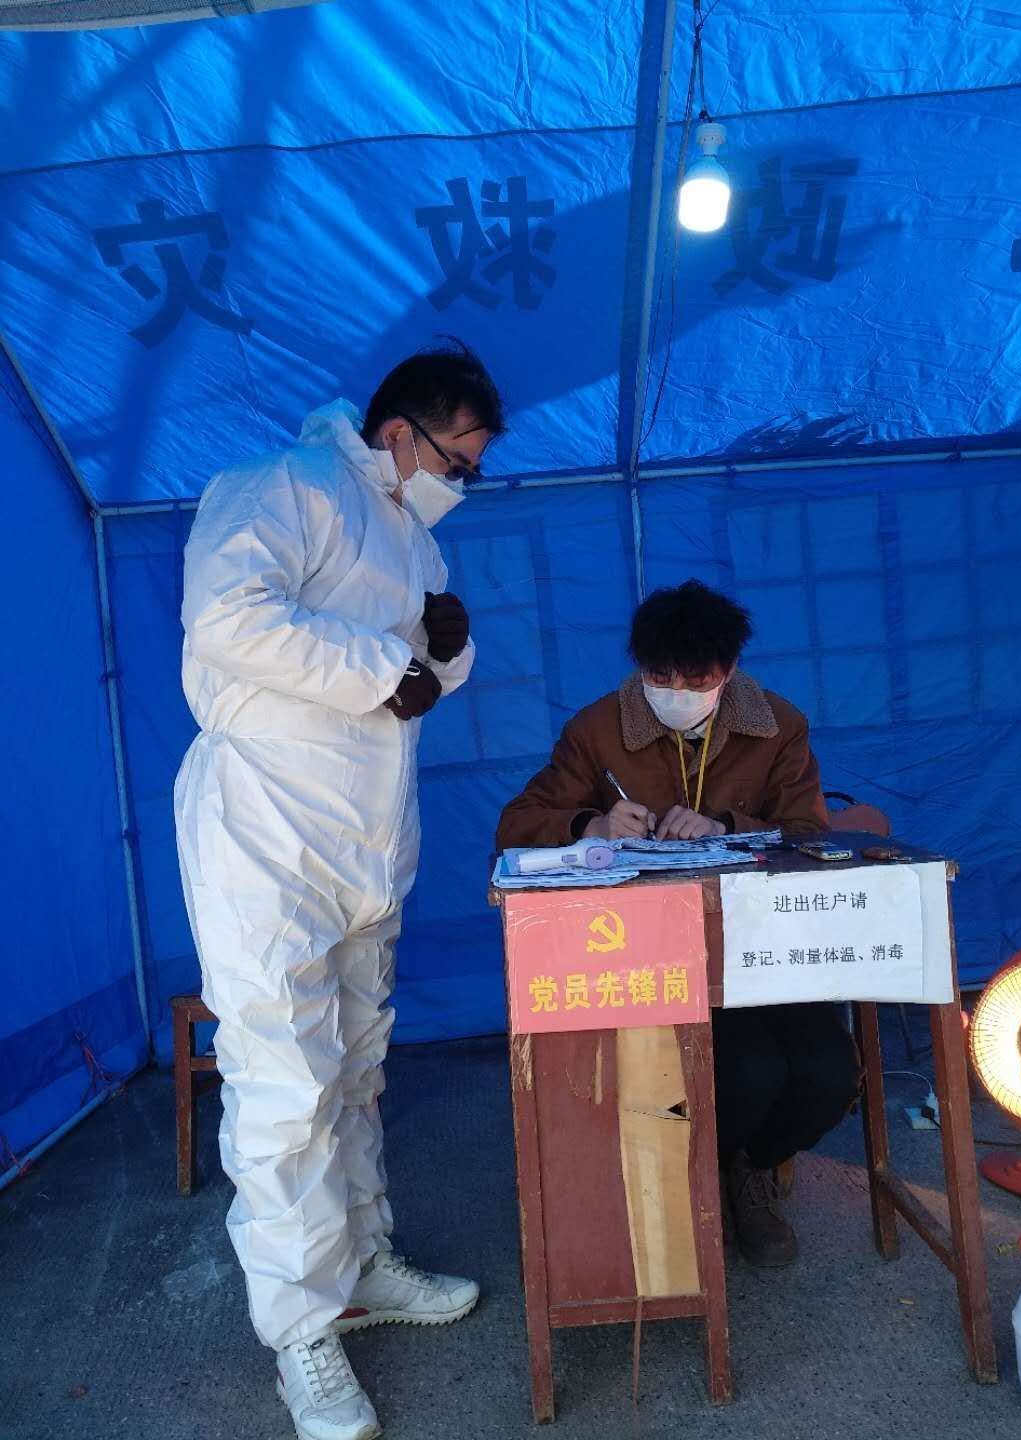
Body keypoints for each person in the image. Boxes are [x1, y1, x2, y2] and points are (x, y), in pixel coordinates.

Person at [175, 342, 504, 1440]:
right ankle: (300, 1333)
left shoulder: (412, 534)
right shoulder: (278, 487)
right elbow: (229, 618)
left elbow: (417, 681)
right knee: (283, 1085)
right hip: (264, 828)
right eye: (458, 460)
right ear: (399, 433)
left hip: (365, 833)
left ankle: (362, 1263)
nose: (464, 483)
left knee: (356, 1070)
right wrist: (388, 668)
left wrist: (448, 654)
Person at [496, 580, 861, 1269]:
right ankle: (711, 1174)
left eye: (697, 680)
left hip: (762, 945)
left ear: (729, 670)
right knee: (748, 1070)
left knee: (828, 1075)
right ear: (640, 667)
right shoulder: (599, 729)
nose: (677, 692)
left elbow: (809, 831)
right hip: (652, 954)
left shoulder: (777, 725)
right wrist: (591, 823)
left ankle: (752, 1165)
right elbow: (517, 825)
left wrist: (727, 826)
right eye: (661, 678)